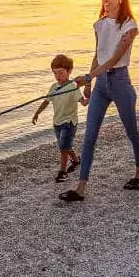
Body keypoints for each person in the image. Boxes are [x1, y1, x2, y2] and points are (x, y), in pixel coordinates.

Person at [60, 0, 139, 203]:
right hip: (101, 85)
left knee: (131, 131)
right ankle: (80, 188)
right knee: (90, 136)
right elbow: (98, 54)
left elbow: (116, 57)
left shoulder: (130, 26)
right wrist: (90, 83)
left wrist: (90, 76)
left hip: (120, 81)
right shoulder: (99, 25)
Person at [30, 54, 87, 183]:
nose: (58, 76)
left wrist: (89, 98)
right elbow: (46, 101)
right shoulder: (54, 87)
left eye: (61, 72)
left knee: (63, 147)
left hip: (69, 122)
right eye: (55, 73)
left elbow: (82, 101)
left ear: (69, 71)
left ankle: (62, 172)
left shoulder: (73, 87)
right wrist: (37, 113)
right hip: (57, 122)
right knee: (65, 145)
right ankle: (76, 160)